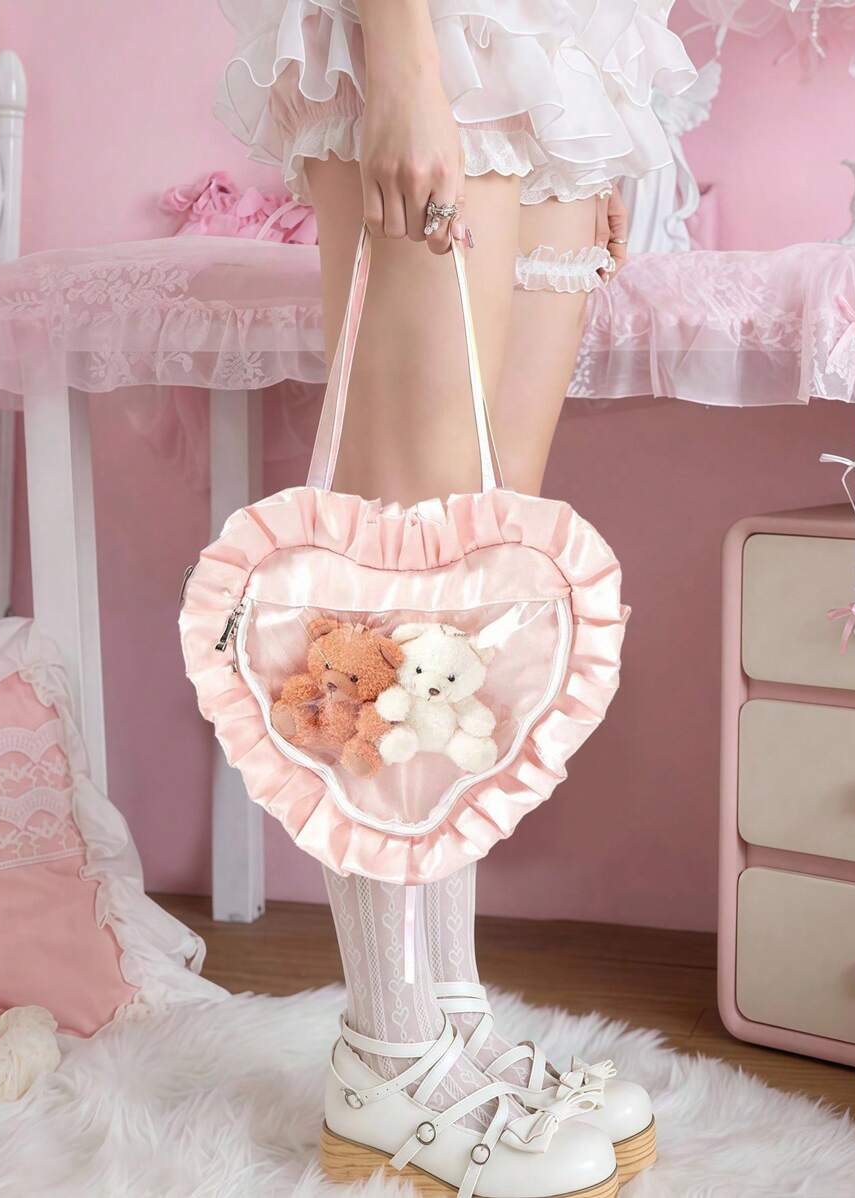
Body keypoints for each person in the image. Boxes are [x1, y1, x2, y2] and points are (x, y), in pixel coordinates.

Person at [216, 3, 695, 1193]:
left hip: (561, 44)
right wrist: (400, 62)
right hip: (443, 27)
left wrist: (602, 106)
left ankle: (449, 1021)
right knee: (404, 570)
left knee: (479, 580)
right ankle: (388, 1047)